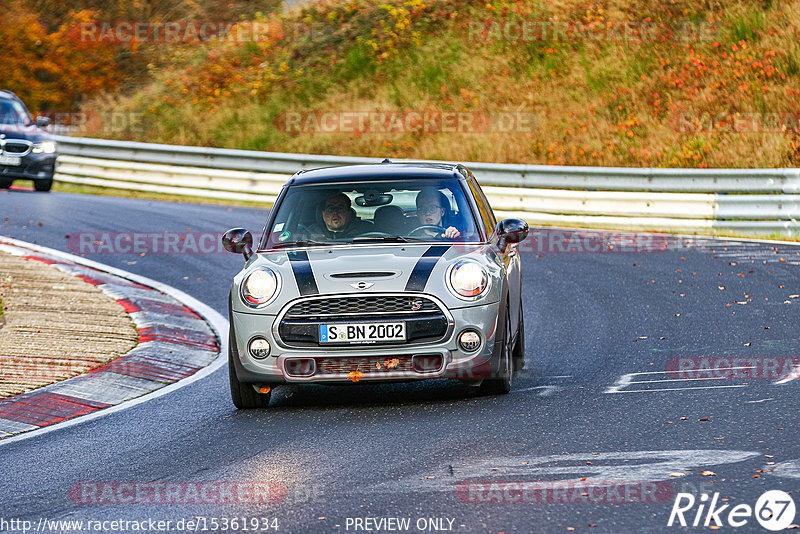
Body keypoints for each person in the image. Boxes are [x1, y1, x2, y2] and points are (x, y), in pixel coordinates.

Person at [304, 192, 372, 239]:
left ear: (348, 213)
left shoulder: (365, 234)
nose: (335, 212)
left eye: (340, 208)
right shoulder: (308, 235)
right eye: (331, 209)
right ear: (323, 214)